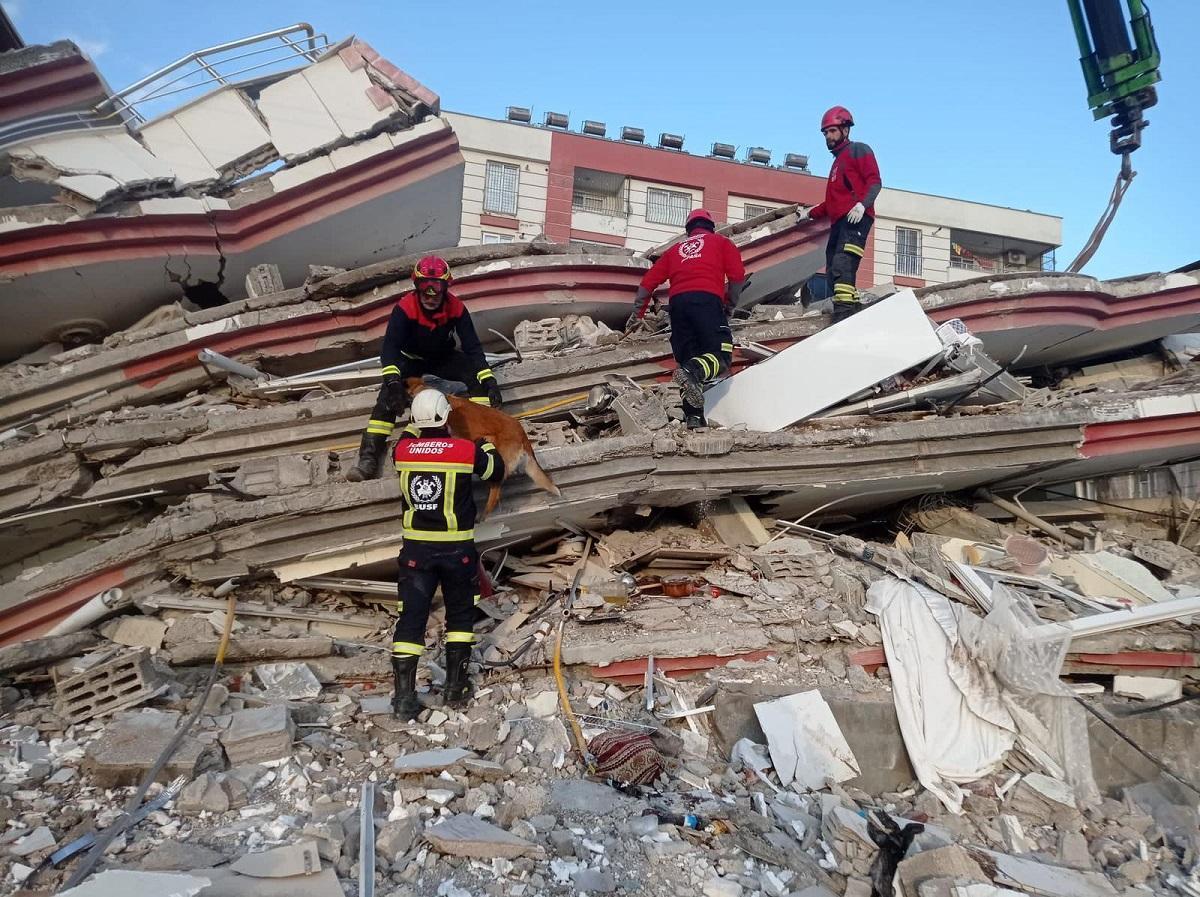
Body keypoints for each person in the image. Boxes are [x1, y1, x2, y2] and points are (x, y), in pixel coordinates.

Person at [389, 388, 506, 719]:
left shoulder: (404, 451)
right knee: (460, 616)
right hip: (457, 551)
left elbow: (406, 438)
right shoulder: (464, 450)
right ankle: (455, 689)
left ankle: (404, 700)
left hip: (415, 554)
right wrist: (483, 442)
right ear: (445, 417)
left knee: (411, 619)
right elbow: (495, 471)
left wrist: (413, 426)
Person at [346, 255, 503, 482]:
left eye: (436, 288)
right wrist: (392, 383)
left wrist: (490, 381)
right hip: (410, 359)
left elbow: (473, 347)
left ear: (446, 287)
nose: (430, 295)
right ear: (417, 286)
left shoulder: (457, 308)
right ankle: (368, 459)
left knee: (477, 381)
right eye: (424, 288)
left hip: (444, 357)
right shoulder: (404, 308)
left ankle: (485, 439)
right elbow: (390, 348)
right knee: (386, 401)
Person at [625, 209, 745, 429]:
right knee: (720, 356)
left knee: (689, 356)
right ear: (711, 226)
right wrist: (729, 305)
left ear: (688, 230)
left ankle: (694, 418)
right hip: (707, 301)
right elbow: (737, 276)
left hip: (678, 307)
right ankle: (692, 371)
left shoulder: (675, 250)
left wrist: (637, 314)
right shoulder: (721, 242)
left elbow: (648, 282)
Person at [797, 106, 882, 322]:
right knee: (833, 267)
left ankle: (843, 315)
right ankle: (849, 308)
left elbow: (875, 181)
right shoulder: (837, 163)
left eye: (832, 131)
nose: (828, 136)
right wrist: (810, 214)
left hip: (855, 219)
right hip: (839, 223)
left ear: (845, 129)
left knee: (844, 263)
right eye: (825, 133)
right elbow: (831, 204)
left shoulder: (859, 150)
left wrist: (863, 205)